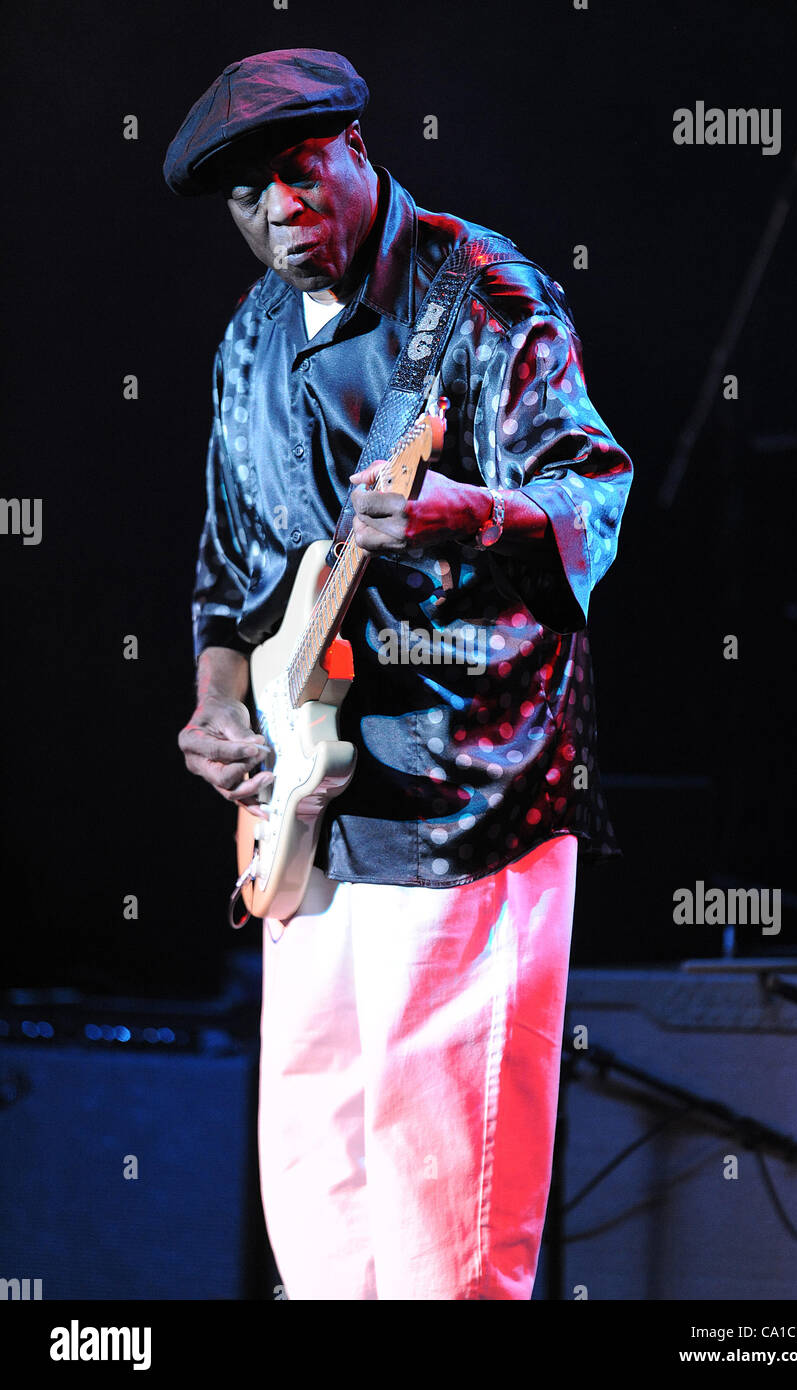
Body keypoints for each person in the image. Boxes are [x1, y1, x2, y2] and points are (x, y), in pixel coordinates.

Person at [165, 47, 633, 1300]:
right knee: (320, 1209)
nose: (281, 213)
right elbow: (232, 574)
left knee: (446, 1223)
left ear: (358, 152)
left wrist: (450, 516)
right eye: (250, 198)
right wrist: (218, 709)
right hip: (310, 819)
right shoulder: (252, 337)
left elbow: (588, 495)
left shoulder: (482, 297)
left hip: (464, 805)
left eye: (299, 174)